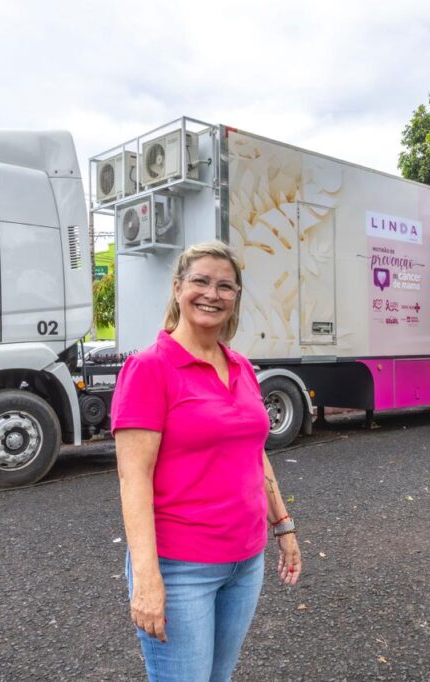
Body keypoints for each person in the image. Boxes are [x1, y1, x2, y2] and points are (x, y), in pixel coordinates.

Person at [112, 241, 302, 681]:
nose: (212, 294)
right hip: (181, 569)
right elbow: (133, 478)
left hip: (246, 562)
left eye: (225, 286)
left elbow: (254, 453)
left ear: (236, 297)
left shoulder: (241, 367)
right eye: (200, 281)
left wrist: (283, 525)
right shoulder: (149, 369)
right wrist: (146, 577)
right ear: (178, 288)